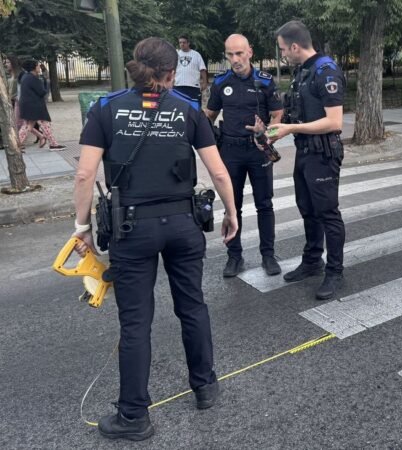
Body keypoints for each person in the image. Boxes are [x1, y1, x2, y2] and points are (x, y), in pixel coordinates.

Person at [71, 37, 238, 441]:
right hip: (182, 224)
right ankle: (204, 386)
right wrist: (232, 213)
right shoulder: (188, 109)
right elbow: (216, 172)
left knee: (135, 323)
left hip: (131, 229)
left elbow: (84, 175)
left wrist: (82, 228)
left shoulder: (105, 109)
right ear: (171, 73)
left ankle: (133, 416)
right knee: (192, 305)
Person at [261, 20, 346, 300]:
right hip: (305, 151)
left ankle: (335, 271)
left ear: (295, 46)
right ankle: (312, 261)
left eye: (284, 49)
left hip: (323, 152)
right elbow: (299, 112)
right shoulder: (303, 71)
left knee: (327, 213)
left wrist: (291, 129)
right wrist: (272, 130)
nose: (283, 54)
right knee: (307, 208)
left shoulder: (325, 70)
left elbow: (334, 122)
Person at [206, 34, 284, 278]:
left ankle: (268, 255)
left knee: (264, 204)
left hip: (257, 149)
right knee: (232, 206)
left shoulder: (265, 81)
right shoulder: (221, 82)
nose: (235, 59)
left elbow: (278, 114)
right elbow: (208, 115)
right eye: (230, 54)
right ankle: (234, 256)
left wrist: (266, 135)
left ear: (250, 52)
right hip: (230, 150)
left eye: (239, 53)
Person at [17, 60, 64, 150]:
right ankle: (53, 144)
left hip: (27, 104)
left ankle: (17, 145)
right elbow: (42, 92)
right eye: (38, 66)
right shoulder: (33, 78)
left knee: (29, 125)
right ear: (33, 68)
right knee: (39, 124)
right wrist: (46, 83)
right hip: (35, 105)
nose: (39, 68)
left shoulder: (25, 77)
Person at [175, 35, 207, 103]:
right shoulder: (176, 54)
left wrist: (204, 83)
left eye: (184, 42)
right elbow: (171, 69)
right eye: (180, 42)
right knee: (179, 107)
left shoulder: (196, 55)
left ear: (188, 43)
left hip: (193, 86)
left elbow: (202, 69)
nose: (182, 44)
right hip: (178, 85)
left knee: (194, 107)